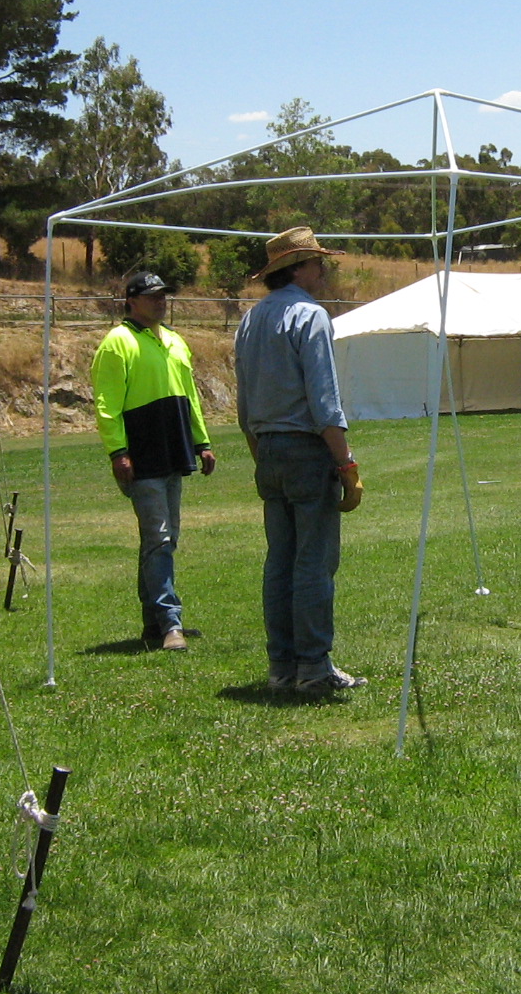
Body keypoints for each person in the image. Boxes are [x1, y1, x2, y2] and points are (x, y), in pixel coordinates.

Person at [234, 226, 366, 695]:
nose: (322, 269)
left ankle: (282, 666)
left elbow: (244, 404)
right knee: (313, 561)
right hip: (306, 451)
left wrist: (259, 455)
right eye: (317, 261)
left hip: (267, 448)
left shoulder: (250, 320)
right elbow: (324, 401)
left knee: (280, 561)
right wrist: (346, 465)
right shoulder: (310, 316)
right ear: (298, 268)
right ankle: (313, 667)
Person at [91, 271, 216, 651]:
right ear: (131, 301)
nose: (161, 302)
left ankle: (154, 623)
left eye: (164, 296)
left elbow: (190, 397)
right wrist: (118, 452)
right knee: (159, 539)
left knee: (163, 540)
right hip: (142, 455)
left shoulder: (175, 341)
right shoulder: (117, 343)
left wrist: (202, 441)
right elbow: (107, 405)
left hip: (174, 450)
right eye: (152, 296)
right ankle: (170, 623)